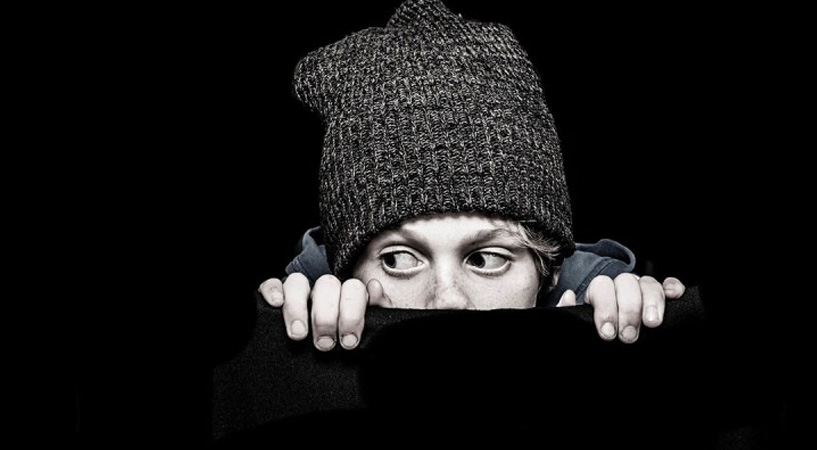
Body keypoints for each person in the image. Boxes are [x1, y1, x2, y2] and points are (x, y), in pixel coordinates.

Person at [256, 0, 685, 352]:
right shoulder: (299, 339)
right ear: (346, 272)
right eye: (397, 259)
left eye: (486, 259)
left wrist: (619, 357)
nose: (448, 301)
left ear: (549, 273)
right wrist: (298, 361)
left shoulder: (600, 318)